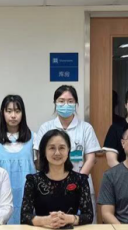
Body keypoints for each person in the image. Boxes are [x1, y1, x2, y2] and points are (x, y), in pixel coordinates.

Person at [33, 85, 101, 217]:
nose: (66, 105)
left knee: (82, 221)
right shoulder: (46, 127)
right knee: (52, 221)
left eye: (70, 101)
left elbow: (91, 159)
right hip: (50, 185)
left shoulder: (85, 128)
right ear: (55, 103)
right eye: (61, 101)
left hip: (80, 183)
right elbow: (40, 158)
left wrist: (78, 181)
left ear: (76, 104)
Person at [0, 94, 36, 226]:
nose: (13, 116)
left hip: (27, 195)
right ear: (3, 113)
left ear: (23, 113)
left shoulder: (33, 138)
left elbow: (40, 167)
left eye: (17, 111)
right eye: (9, 111)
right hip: (1, 195)